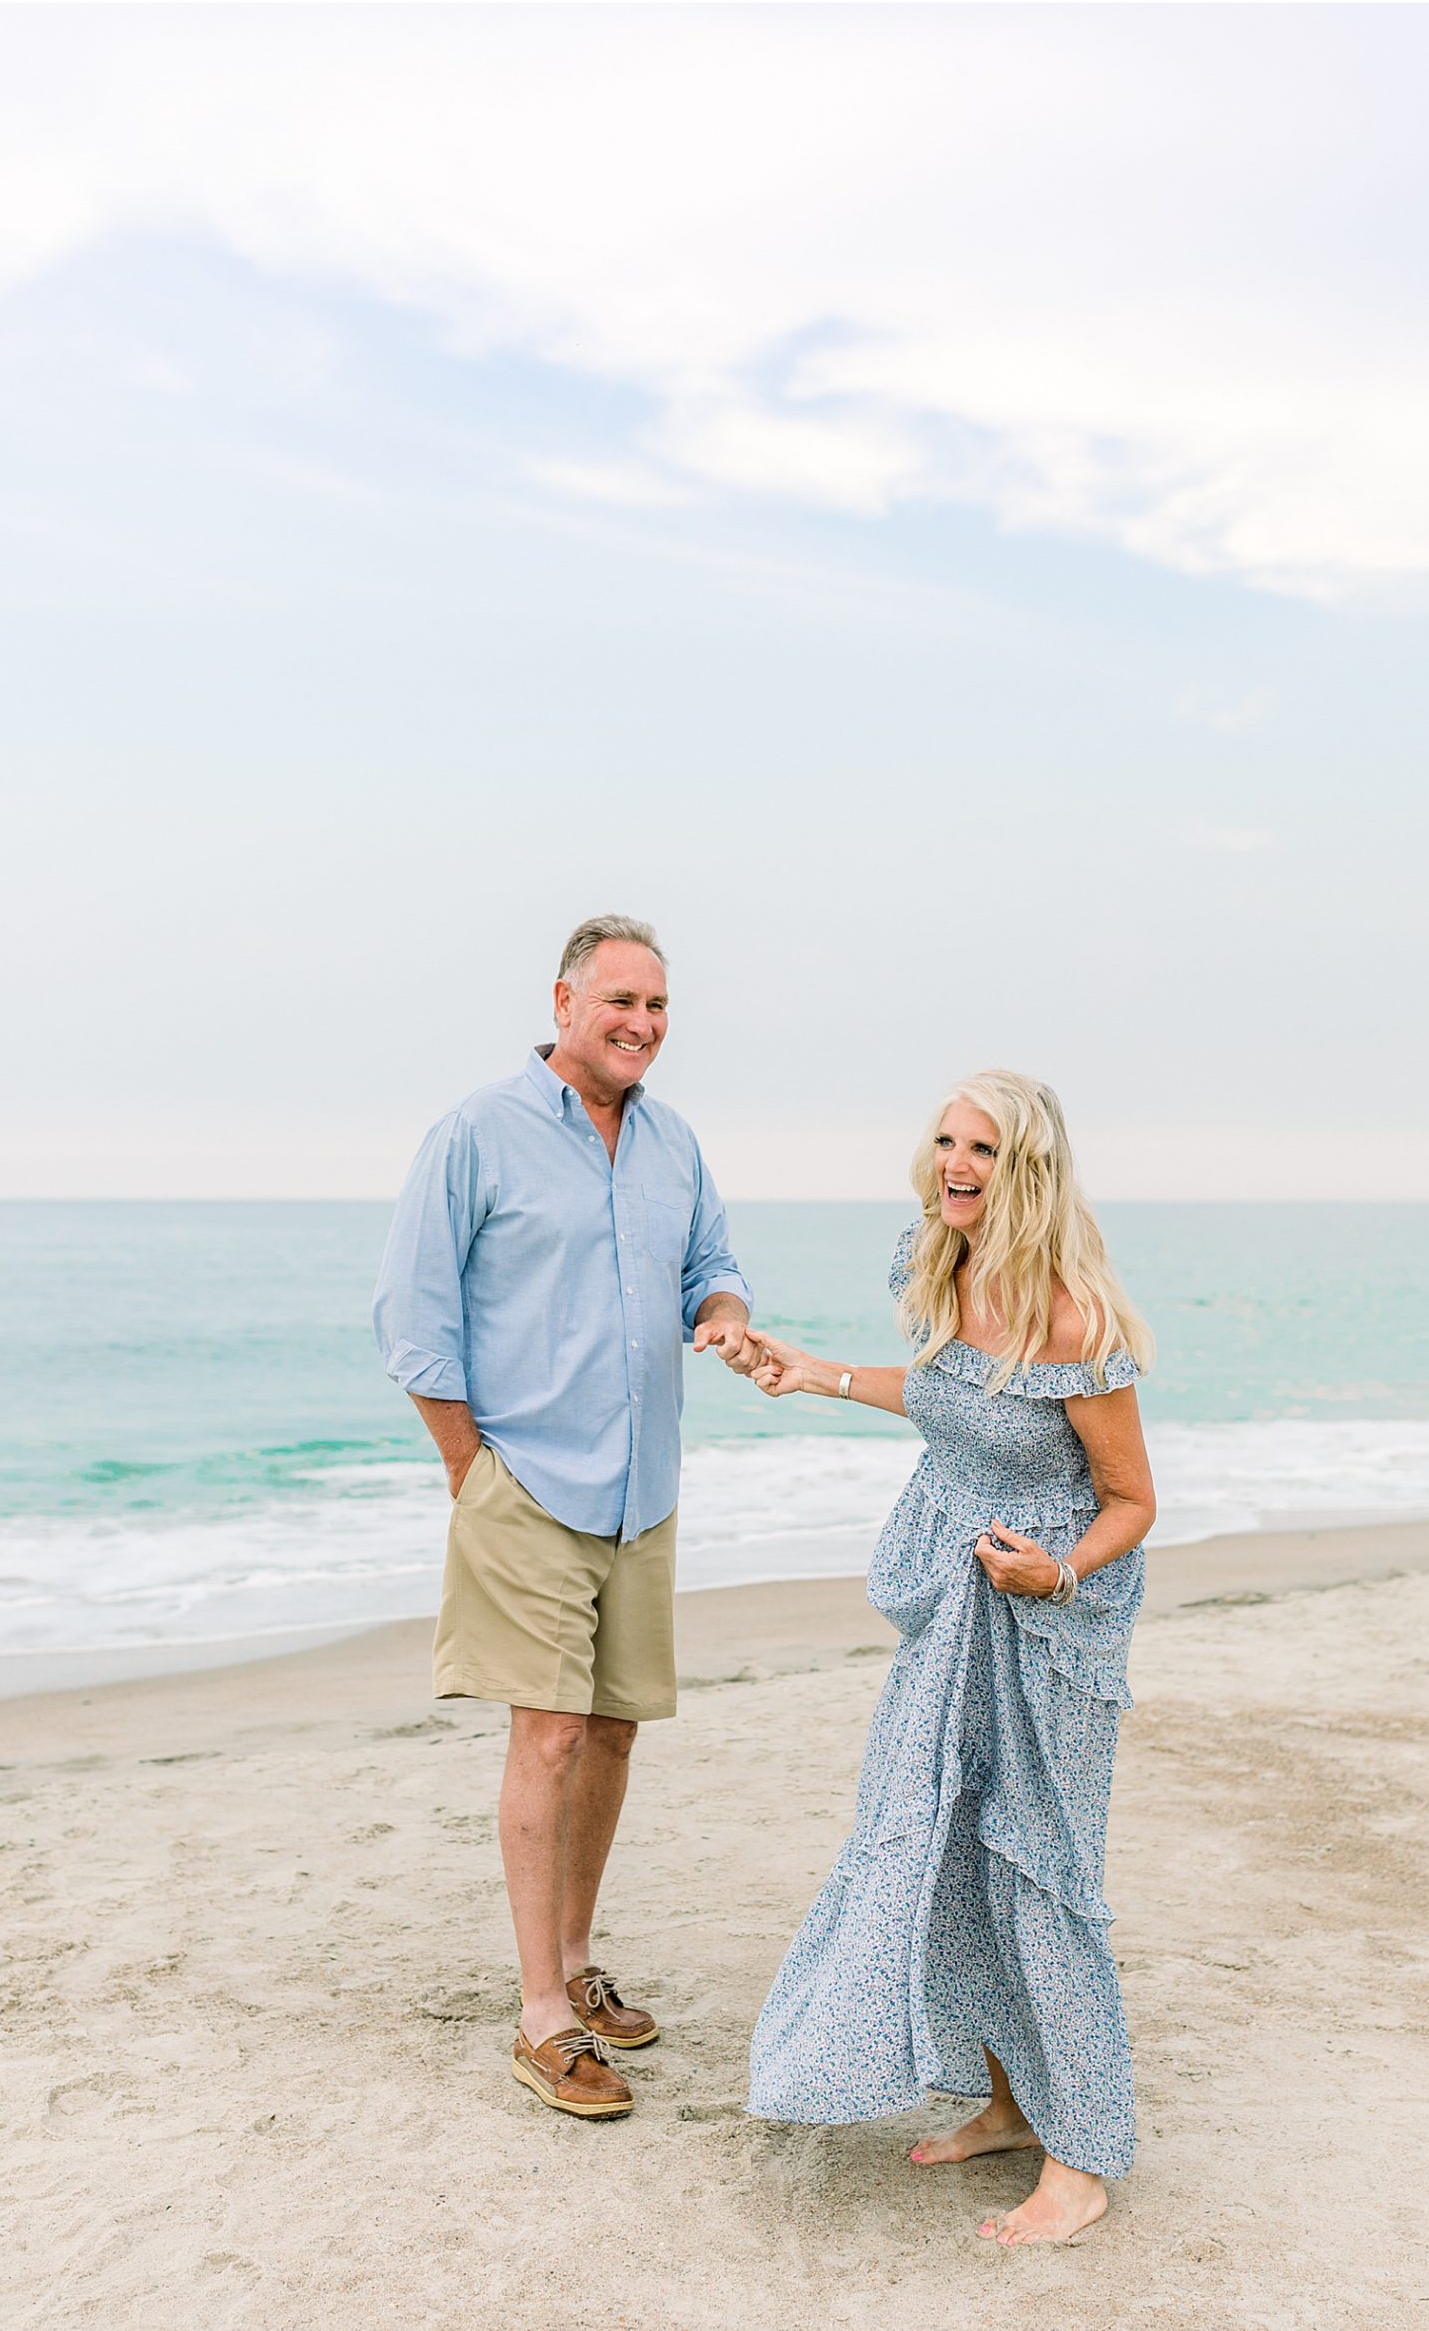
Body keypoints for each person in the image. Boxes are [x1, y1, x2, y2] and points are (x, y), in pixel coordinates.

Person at [745, 1069, 1156, 2245]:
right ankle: (1010, 2103)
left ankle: (1084, 2157)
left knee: (1041, 1869)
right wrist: (810, 1371)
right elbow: (943, 1400)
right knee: (945, 1844)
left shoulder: (1076, 1317)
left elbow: (1132, 1499)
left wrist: (1058, 1571)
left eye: (982, 1148)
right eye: (943, 1141)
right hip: (951, 1605)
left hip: (1050, 1626)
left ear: (1029, 1170)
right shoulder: (938, 1260)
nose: (954, 1164)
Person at [373, 914, 758, 2122]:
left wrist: (727, 1312)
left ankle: (580, 1965)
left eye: (657, 1008)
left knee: (613, 1731)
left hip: (644, 1490)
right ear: (564, 1001)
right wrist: (470, 1472)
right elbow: (412, 1317)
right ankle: (543, 2015)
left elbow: (713, 1263)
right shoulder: (475, 1134)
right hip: (527, 1484)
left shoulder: (673, 1142)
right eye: (620, 1003)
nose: (641, 1025)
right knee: (544, 1732)